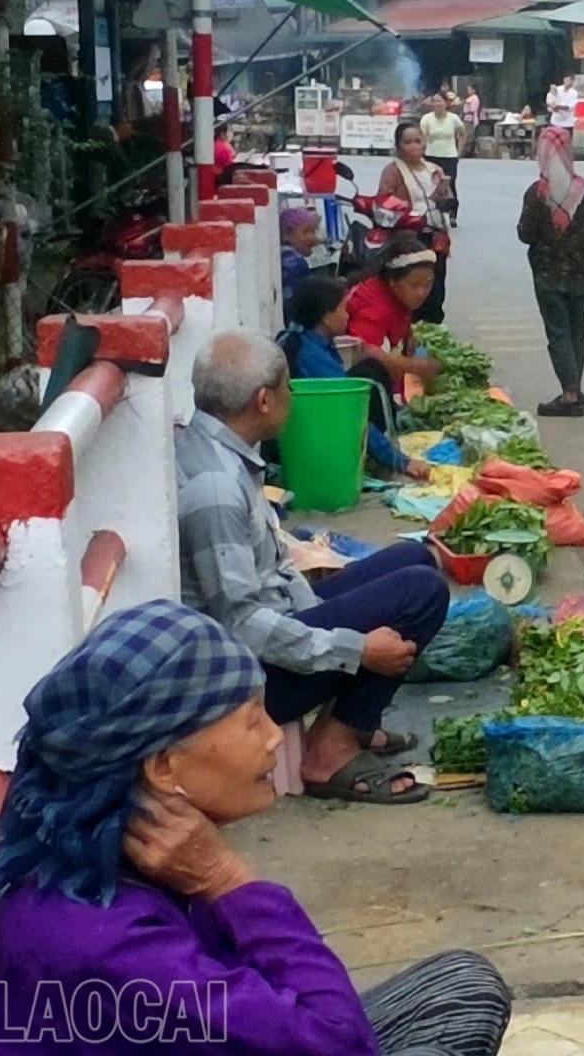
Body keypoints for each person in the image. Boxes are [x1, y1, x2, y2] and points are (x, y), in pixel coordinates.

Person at [0, 600, 511, 1055]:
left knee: (461, 989)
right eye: (251, 721)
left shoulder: (106, 861)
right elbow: (342, 1046)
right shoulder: (110, 944)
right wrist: (228, 881)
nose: (274, 738)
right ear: (163, 766)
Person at [177, 331, 449, 803]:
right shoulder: (217, 487)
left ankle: (347, 725)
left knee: (414, 559)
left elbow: (276, 571)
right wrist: (354, 649)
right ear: (263, 400)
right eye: (287, 388)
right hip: (247, 680)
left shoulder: (221, 451)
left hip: (275, 628)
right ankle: (331, 755)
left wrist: (333, 614)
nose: (292, 398)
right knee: (421, 593)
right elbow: (240, 625)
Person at [278, 275, 428, 479]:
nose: (348, 316)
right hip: (315, 440)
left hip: (316, 425)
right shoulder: (312, 356)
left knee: (371, 368)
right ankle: (374, 459)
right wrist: (401, 461)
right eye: (343, 309)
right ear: (326, 317)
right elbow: (354, 416)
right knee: (368, 382)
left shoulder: (303, 339)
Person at [517, 128, 584, 418]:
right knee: (577, 332)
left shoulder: (538, 193)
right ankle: (575, 385)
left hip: (548, 275)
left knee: (558, 333)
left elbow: (525, 234)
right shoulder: (582, 189)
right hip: (580, 275)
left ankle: (569, 394)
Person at [346, 232, 442, 397]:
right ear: (393, 281)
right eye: (415, 285)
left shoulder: (398, 296)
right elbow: (364, 350)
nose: (422, 293)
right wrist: (414, 366)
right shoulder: (375, 307)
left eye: (428, 284)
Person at [378, 123, 453, 324]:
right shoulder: (393, 171)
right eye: (407, 142)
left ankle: (433, 330)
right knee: (411, 288)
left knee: (435, 287)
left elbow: (447, 204)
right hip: (409, 237)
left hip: (435, 236)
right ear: (399, 146)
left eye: (417, 141)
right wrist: (405, 213)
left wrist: (443, 191)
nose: (413, 146)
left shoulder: (434, 169)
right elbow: (382, 203)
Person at [419, 94, 467, 228]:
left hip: (449, 156)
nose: (437, 104)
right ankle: (437, 213)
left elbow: (462, 134)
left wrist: (459, 151)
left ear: (446, 103)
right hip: (431, 156)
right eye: (434, 101)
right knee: (433, 186)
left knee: (449, 184)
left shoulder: (453, 119)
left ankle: (452, 213)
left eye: (439, 101)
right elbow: (422, 137)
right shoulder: (426, 119)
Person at [279, 206, 321, 302]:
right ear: (287, 234)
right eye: (306, 232)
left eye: (313, 232)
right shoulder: (295, 262)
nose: (313, 238)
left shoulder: (281, 256)